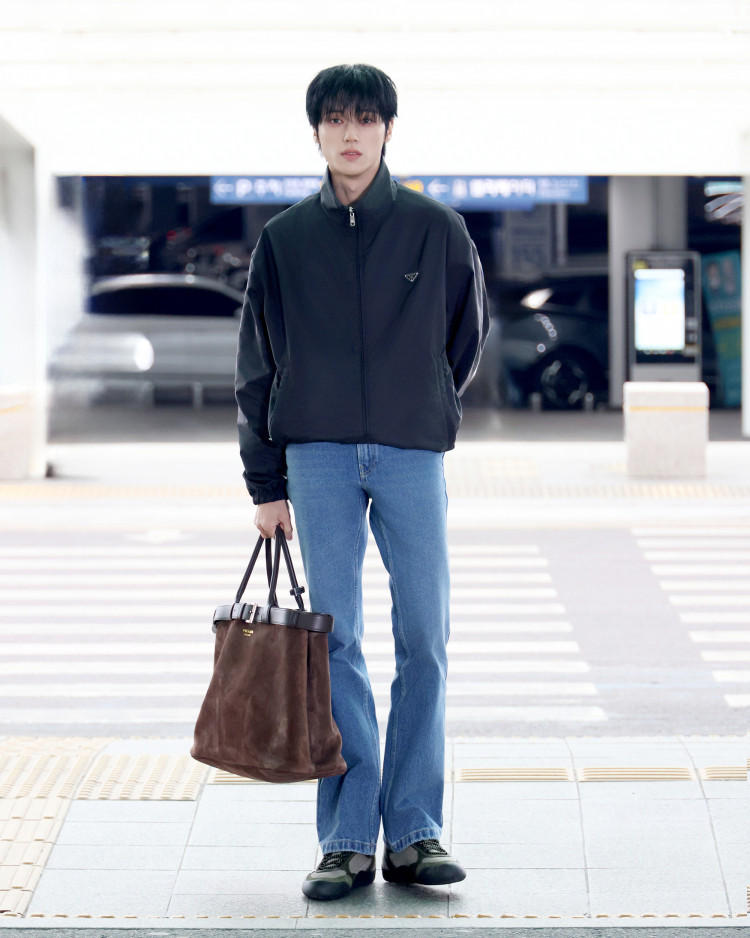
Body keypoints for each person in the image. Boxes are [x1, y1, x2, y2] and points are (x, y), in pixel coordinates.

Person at [235, 63, 489, 901]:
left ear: (387, 129)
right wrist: (265, 482)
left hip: (411, 452)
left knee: (426, 639)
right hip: (317, 456)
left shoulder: (435, 228)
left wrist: (424, 402)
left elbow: (465, 338)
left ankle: (414, 832)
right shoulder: (284, 239)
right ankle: (346, 839)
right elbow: (257, 365)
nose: (351, 134)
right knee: (333, 641)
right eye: (336, 119)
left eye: (366, 119)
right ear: (316, 132)